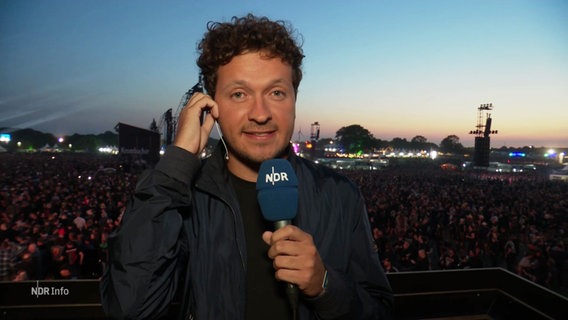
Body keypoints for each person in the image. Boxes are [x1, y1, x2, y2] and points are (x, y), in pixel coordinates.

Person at [100, 14, 393, 320]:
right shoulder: (183, 198)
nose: (260, 113)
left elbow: (380, 311)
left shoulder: (340, 195)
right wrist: (177, 161)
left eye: (276, 92)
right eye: (239, 94)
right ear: (212, 106)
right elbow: (129, 309)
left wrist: (325, 286)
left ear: (294, 100)